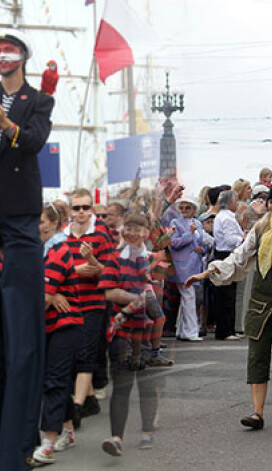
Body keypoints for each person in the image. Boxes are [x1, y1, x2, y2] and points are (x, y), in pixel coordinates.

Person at [185, 184, 272, 430]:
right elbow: (238, 257)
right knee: (257, 356)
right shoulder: (260, 230)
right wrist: (207, 273)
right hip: (261, 304)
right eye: (271, 202)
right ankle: (257, 412)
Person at [0, 28, 55, 469]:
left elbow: (33, 140)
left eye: (9, 51)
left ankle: (17, 448)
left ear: (21, 58)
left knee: (22, 343)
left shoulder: (37, 100)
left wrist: (7, 126)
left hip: (18, 220)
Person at [99, 213, 162, 456]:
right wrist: (134, 298)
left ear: (147, 232)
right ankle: (116, 439)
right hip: (122, 332)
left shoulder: (155, 260)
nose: (134, 232)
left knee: (146, 385)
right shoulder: (114, 258)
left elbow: (159, 298)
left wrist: (147, 298)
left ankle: (147, 431)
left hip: (146, 333)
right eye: (130, 228)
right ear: (123, 230)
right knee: (122, 386)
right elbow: (108, 293)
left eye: (139, 228)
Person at [32, 204, 83, 465]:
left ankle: (49, 441)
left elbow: (42, 298)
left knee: (54, 380)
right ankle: (69, 431)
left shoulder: (58, 250)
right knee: (54, 380)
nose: (38, 225)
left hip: (65, 326)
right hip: (47, 326)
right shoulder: (35, 251)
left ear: (54, 223)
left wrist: (53, 294)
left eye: (42, 220)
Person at [65, 188, 114, 429]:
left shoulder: (100, 236)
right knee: (74, 354)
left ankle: (76, 406)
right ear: (69, 210)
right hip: (69, 304)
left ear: (92, 209)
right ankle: (91, 399)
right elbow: (54, 269)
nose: (81, 212)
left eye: (85, 207)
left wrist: (93, 262)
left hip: (93, 303)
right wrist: (75, 270)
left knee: (85, 354)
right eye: (76, 208)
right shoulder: (62, 238)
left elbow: (110, 272)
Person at [169, 196, 205, 342]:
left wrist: (203, 248)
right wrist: (189, 234)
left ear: (194, 209)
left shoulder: (198, 223)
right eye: (181, 207)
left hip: (194, 265)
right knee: (189, 297)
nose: (183, 210)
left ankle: (182, 330)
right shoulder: (175, 223)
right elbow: (174, 242)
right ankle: (190, 332)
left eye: (187, 207)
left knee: (187, 297)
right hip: (182, 266)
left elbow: (202, 241)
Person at [211, 190, 244, 341]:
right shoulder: (228, 218)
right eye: (236, 201)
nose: (237, 203)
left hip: (221, 254)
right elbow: (231, 239)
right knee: (227, 294)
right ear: (230, 202)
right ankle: (225, 330)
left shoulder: (220, 216)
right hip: (226, 255)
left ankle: (227, 328)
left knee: (226, 293)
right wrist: (243, 238)